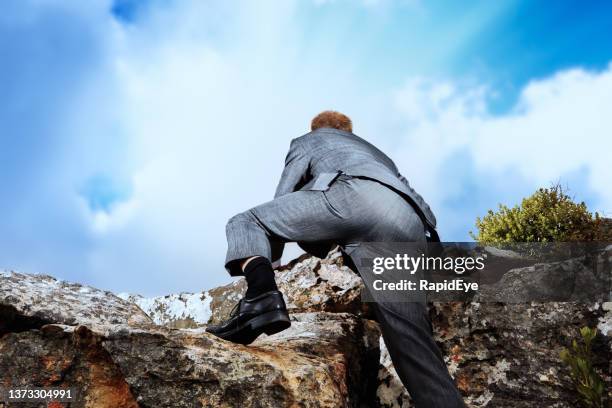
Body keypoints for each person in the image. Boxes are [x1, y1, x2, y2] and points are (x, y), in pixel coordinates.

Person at [206, 111, 465, 407]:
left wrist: (271, 257)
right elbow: (420, 203)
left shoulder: (309, 140)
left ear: (316, 128)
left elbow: (284, 194)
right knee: (412, 344)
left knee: (246, 221)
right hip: (407, 223)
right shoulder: (377, 154)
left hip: (351, 197)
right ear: (350, 131)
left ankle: (261, 296)